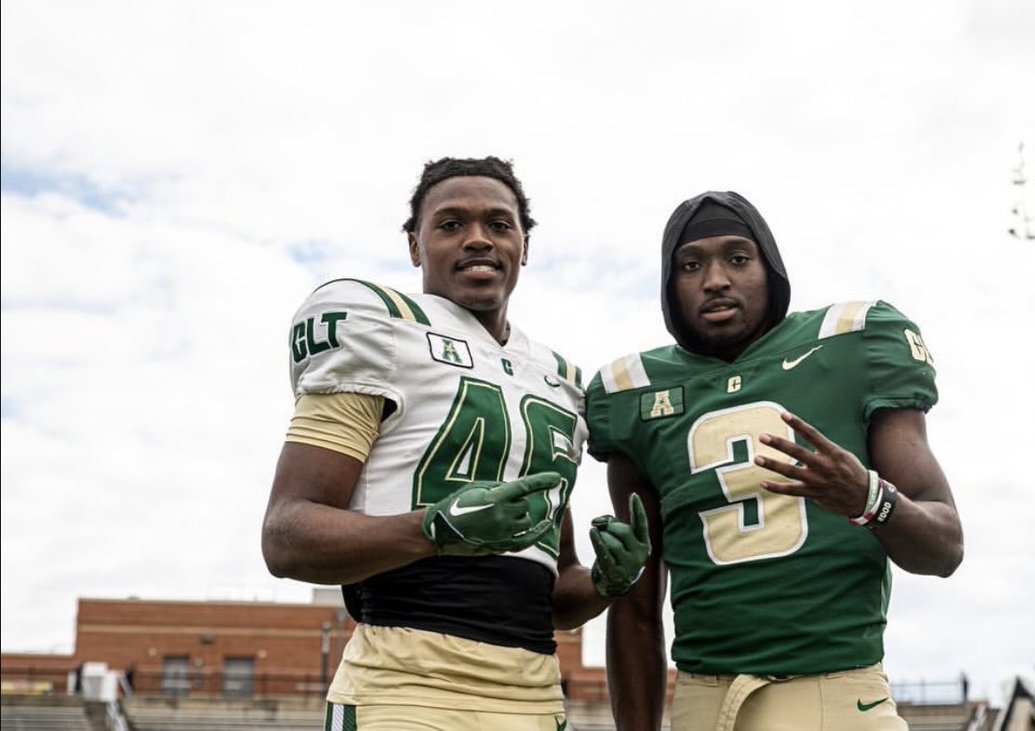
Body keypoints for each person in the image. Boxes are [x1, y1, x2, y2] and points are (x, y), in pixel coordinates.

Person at [261, 156, 651, 731]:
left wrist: (603, 583)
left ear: (524, 244)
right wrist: (435, 529)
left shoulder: (558, 378)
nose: (477, 240)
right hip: (406, 680)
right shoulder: (383, 325)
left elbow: (554, 590)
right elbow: (286, 535)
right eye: (450, 224)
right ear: (415, 246)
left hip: (535, 692)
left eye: (498, 224)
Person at [585, 191, 964, 731]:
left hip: (835, 691)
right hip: (701, 697)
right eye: (691, 264)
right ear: (669, 284)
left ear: (770, 268)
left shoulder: (854, 345)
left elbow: (945, 547)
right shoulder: (633, 395)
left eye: (737, 258)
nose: (715, 279)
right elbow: (637, 606)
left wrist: (868, 499)